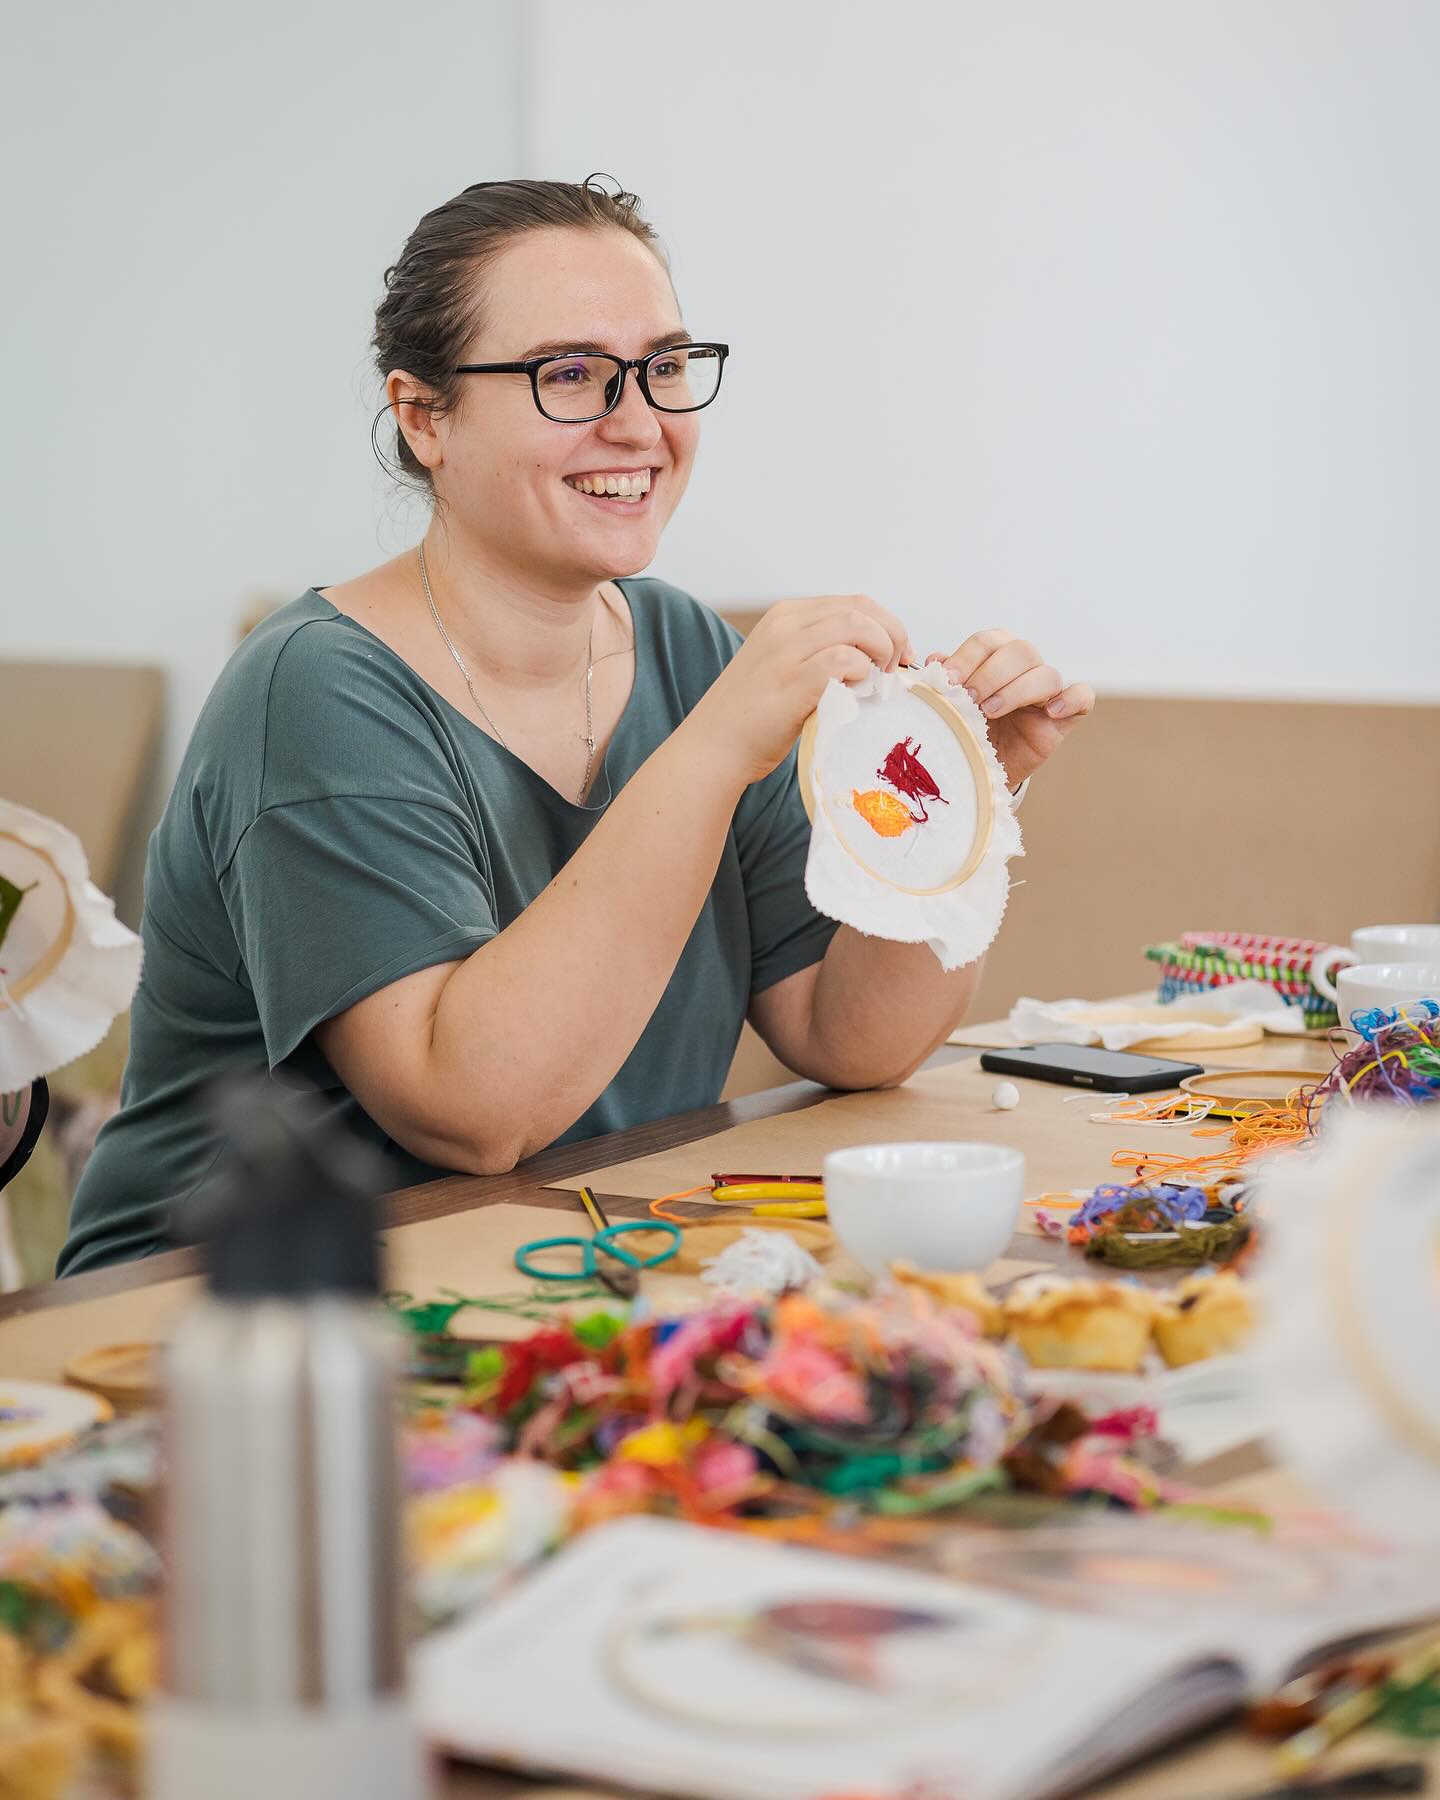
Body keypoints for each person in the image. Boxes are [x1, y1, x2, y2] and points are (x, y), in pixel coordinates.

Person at [60, 177, 1093, 1275]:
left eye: (664, 368)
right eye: (569, 375)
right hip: (225, 1318)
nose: (641, 423)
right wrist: (714, 747)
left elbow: (852, 1037)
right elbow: (474, 1115)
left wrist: (957, 802)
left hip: (560, 1264)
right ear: (423, 418)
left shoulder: (688, 647)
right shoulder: (316, 688)